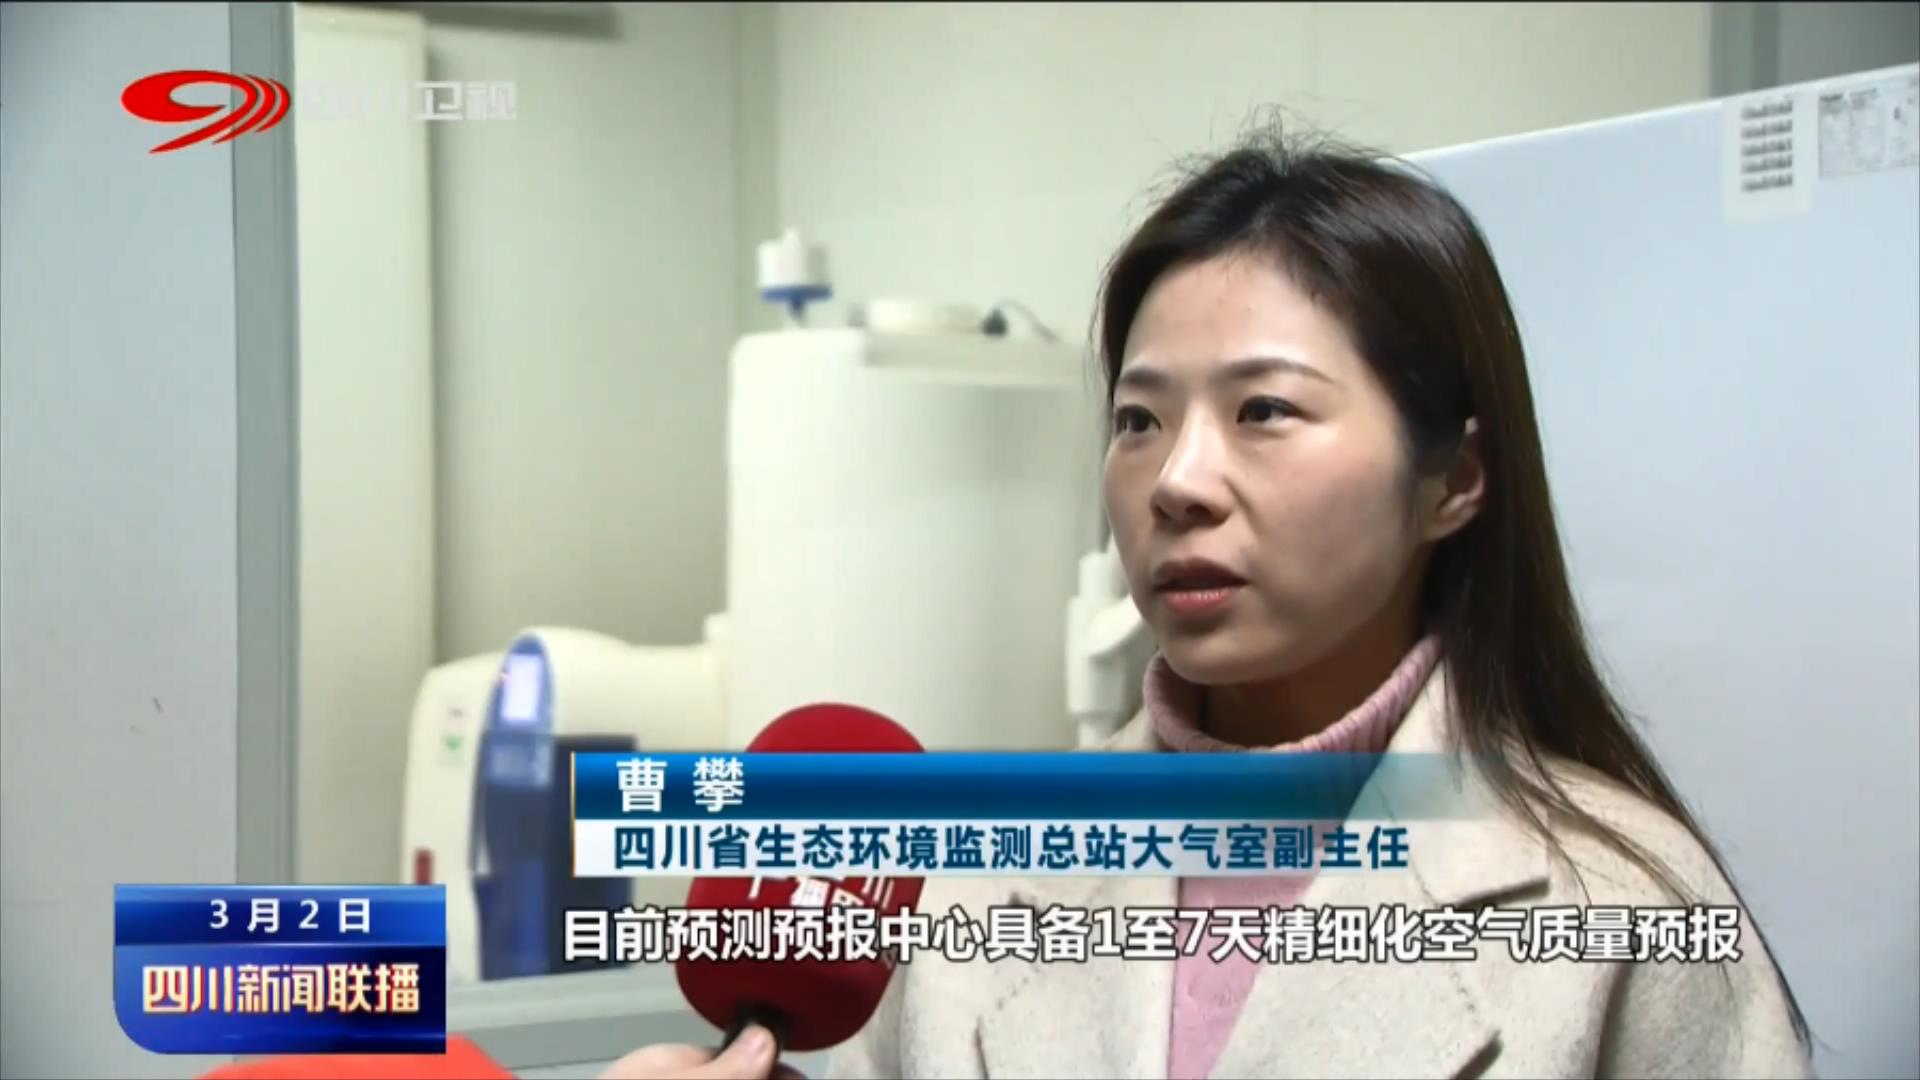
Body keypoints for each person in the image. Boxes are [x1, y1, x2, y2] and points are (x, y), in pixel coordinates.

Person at [603, 127, 1816, 1079]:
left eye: (1264, 411)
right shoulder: (976, 888)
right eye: (1139, 419)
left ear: (1453, 479)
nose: (1177, 482)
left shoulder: (1627, 915)